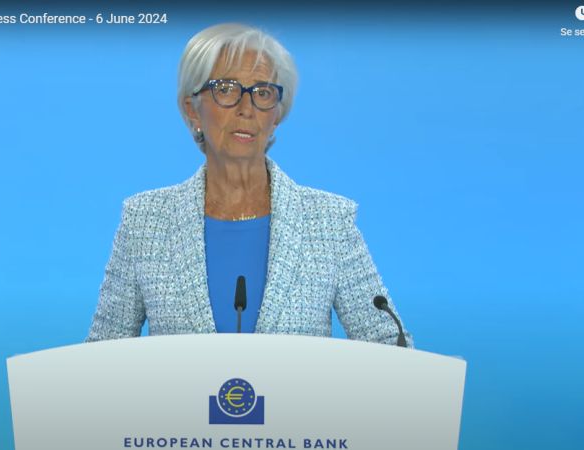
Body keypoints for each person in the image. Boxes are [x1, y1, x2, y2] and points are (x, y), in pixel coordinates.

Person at [86, 23, 412, 347]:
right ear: (192, 109)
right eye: (226, 89)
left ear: (277, 115)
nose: (247, 109)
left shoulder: (329, 221)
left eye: (262, 93)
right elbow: (101, 354)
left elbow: (390, 344)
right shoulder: (145, 221)